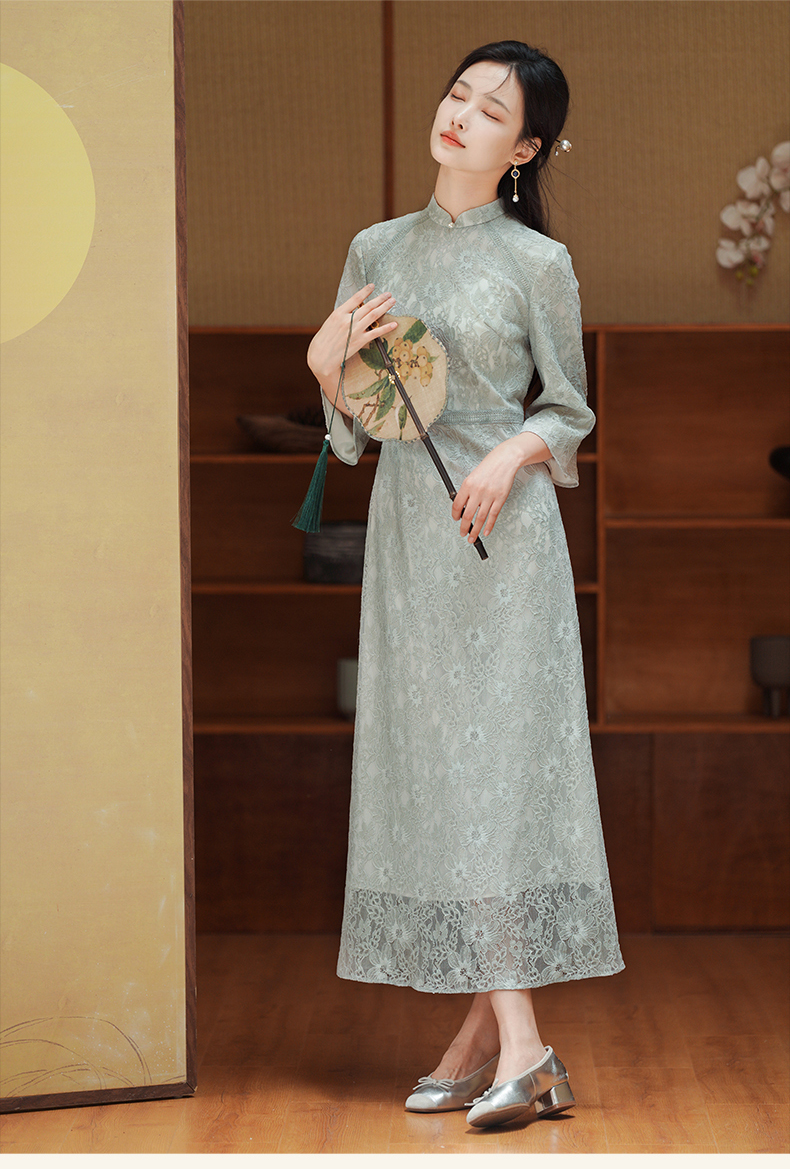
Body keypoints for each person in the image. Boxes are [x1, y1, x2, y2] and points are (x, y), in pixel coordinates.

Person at [306, 40, 624, 1129]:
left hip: (505, 539)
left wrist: (508, 454)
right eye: (457, 94)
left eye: (492, 110)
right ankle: (495, 1046)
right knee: (445, 774)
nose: (461, 115)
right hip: (410, 537)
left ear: (524, 148)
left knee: (494, 778)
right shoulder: (375, 248)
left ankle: (519, 1048)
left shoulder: (539, 261)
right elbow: (356, 429)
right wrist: (324, 369)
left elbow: (569, 410)